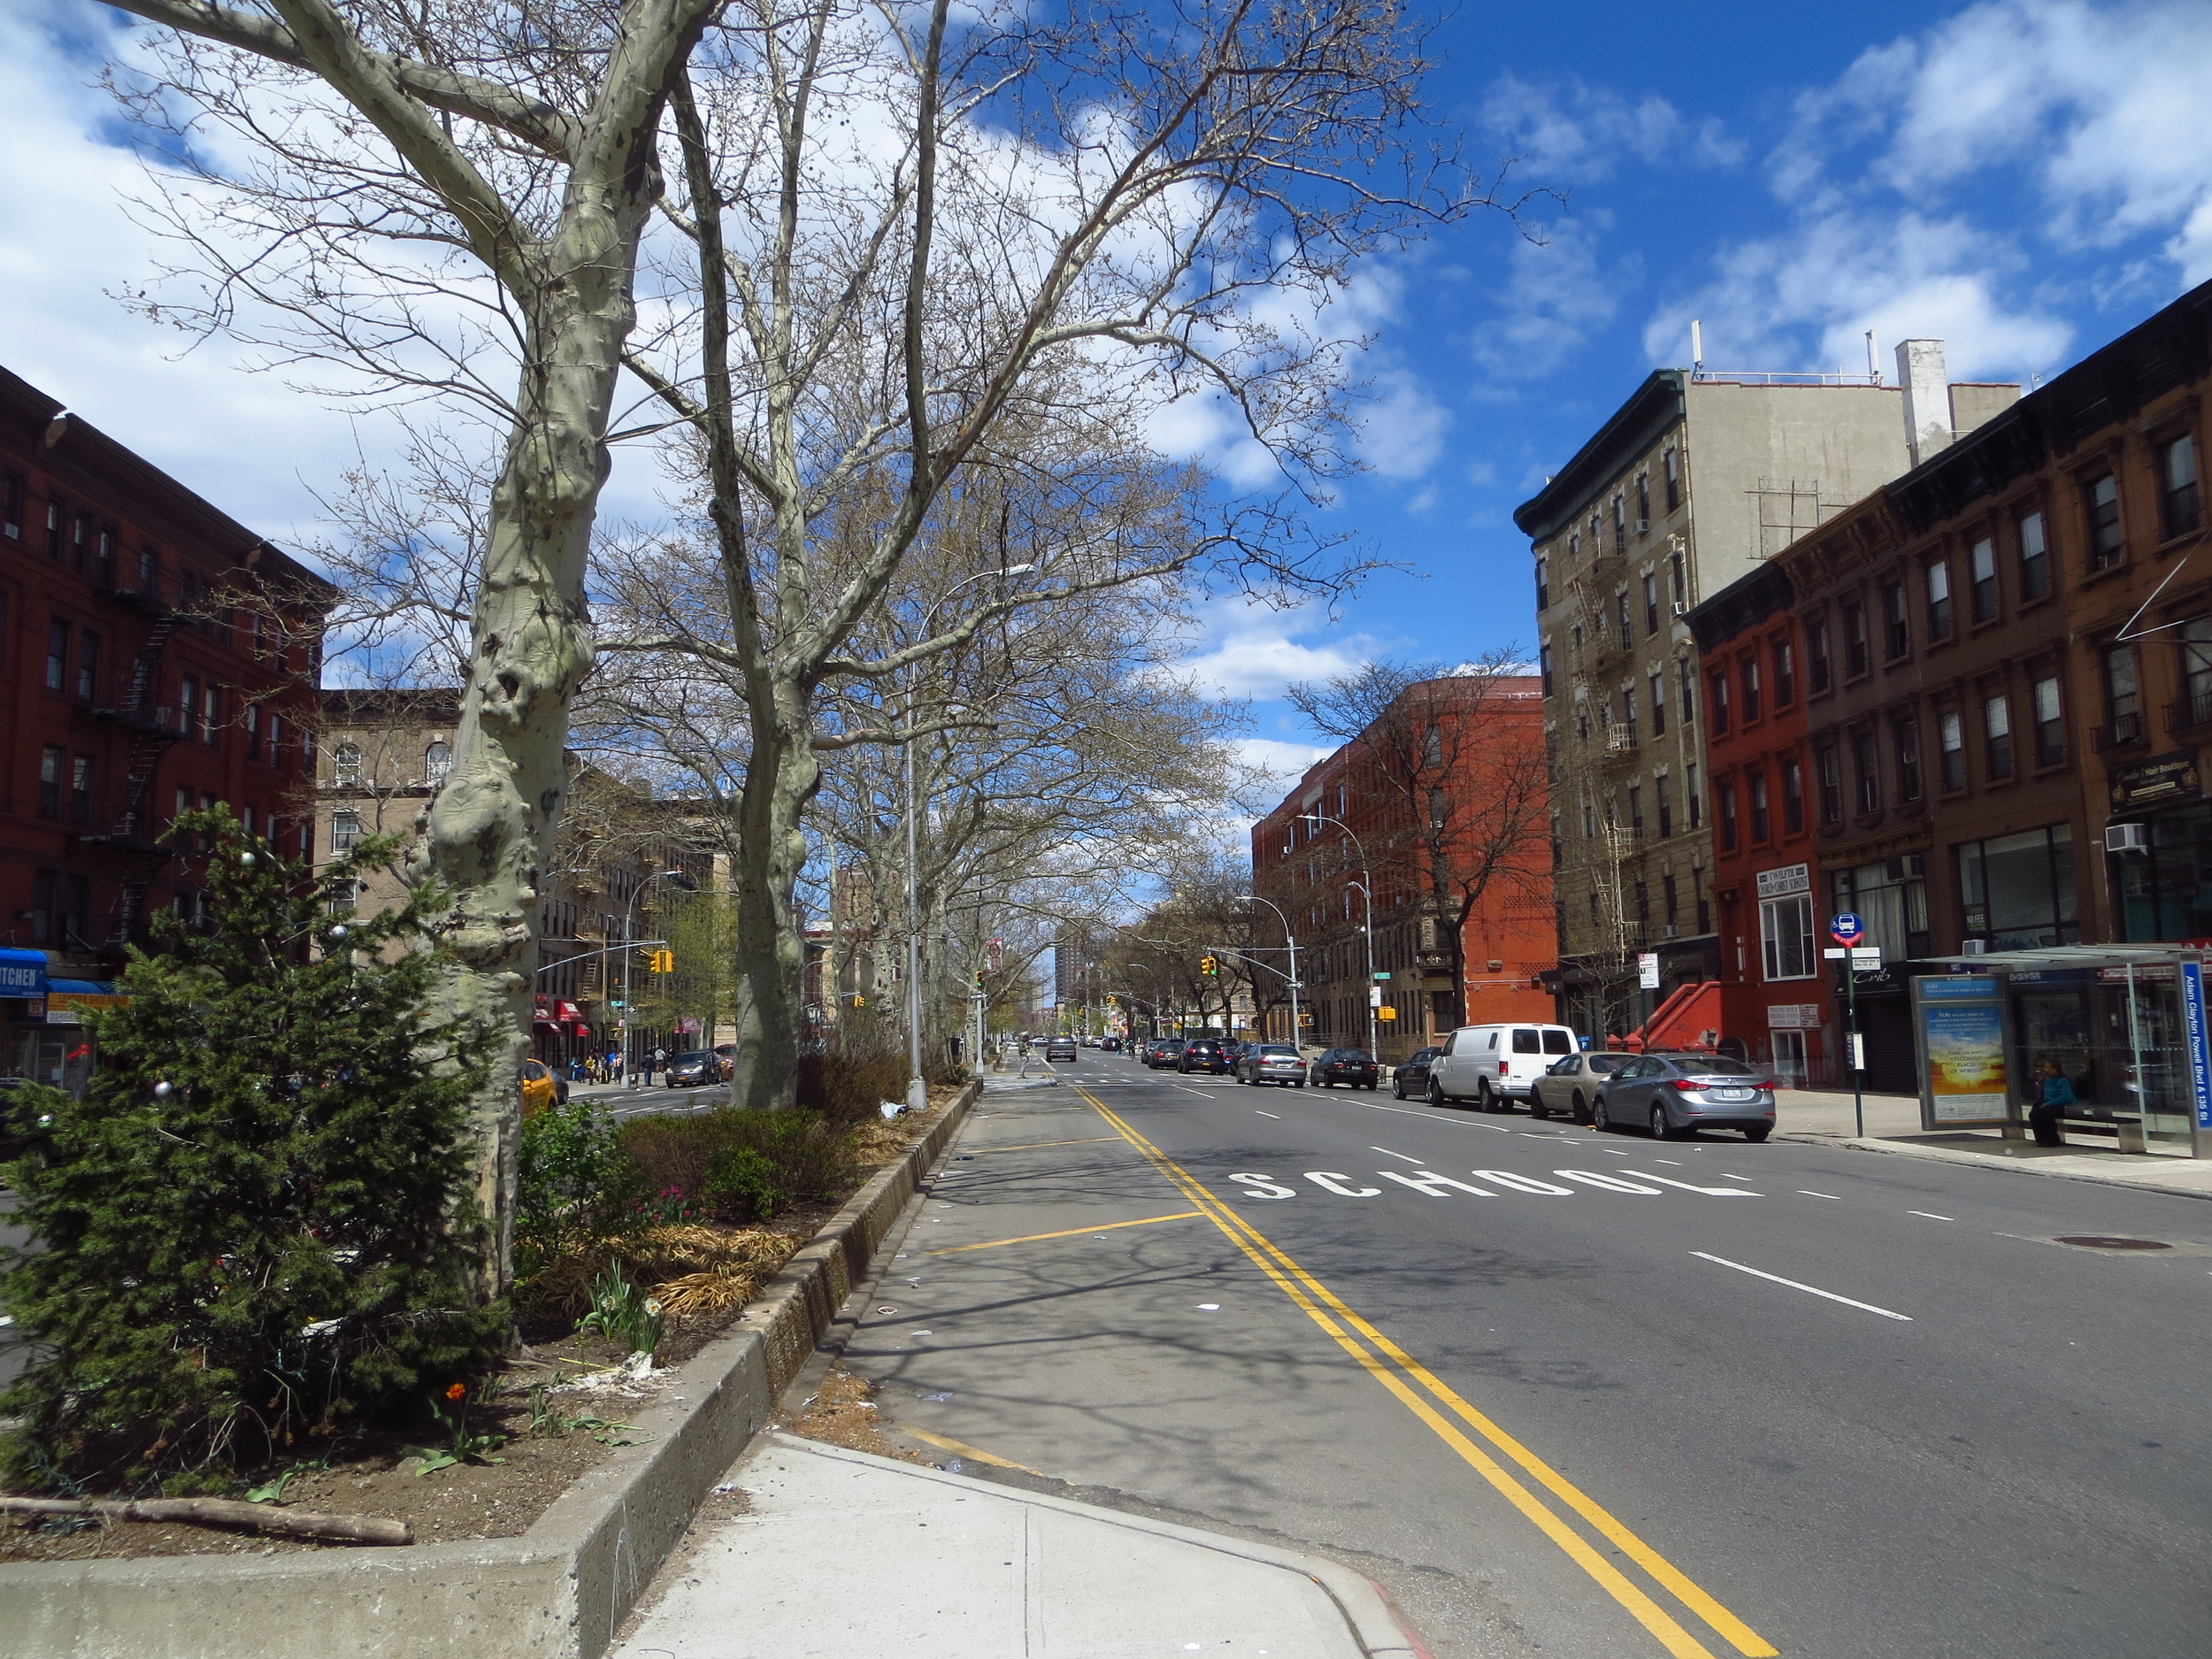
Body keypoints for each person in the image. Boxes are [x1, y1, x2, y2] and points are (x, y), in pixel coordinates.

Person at [2030, 1057, 2074, 1148]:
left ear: (2055, 1069)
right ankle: (2041, 1139)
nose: (2045, 1070)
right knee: (2034, 1114)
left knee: (2046, 1115)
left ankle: (2052, 1140)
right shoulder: (2048, 1080)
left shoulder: (2064, 1080)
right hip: (2047, 1103)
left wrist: (2047, 1104)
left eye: (2048, 1068)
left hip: (2060, 1104)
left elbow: (2064, 1097)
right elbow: (2044, 1094)